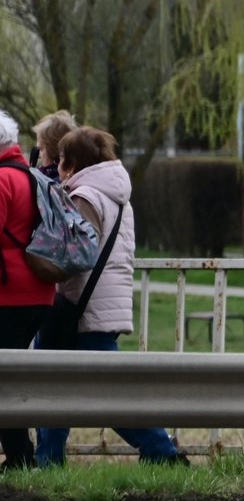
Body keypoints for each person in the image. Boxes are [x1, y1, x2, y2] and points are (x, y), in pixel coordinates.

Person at [33, 128, 186, 466]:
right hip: (99, 307)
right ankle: (47, 461)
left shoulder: (85, 196)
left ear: (71, 164)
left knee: (103, 395)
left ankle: (163, 453)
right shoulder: (115, 194)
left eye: (60, 161)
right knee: (56, 388)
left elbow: (75, 255)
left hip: (81, 310)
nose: (56, 168)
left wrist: (37, 259)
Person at [0, 110, 54, 469]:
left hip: (9, 294)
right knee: (10, 376)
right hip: (38, 291)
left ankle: (20, 458)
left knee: (5, 379)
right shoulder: (31, 176)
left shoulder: (3, 179)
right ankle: (21, 456)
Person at [30, 111, 77, 182]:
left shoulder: (50, 183)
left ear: (53, 151)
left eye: (41, 149)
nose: (39, 155)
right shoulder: (73, 175)